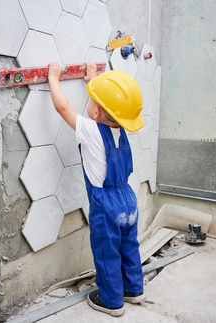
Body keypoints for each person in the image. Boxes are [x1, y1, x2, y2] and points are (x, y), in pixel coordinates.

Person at [48, 62, 146, 317]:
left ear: (96, 111)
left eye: (92, 98)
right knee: (128, 245)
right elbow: (110, 105)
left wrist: (53, 78)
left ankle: (111, 301)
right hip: (127, 198)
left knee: (107, 253)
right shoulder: (121, 127)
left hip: (106, 206)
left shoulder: (90, 130)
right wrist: (93, 78)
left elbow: (62, 107)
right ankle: (134, 289)